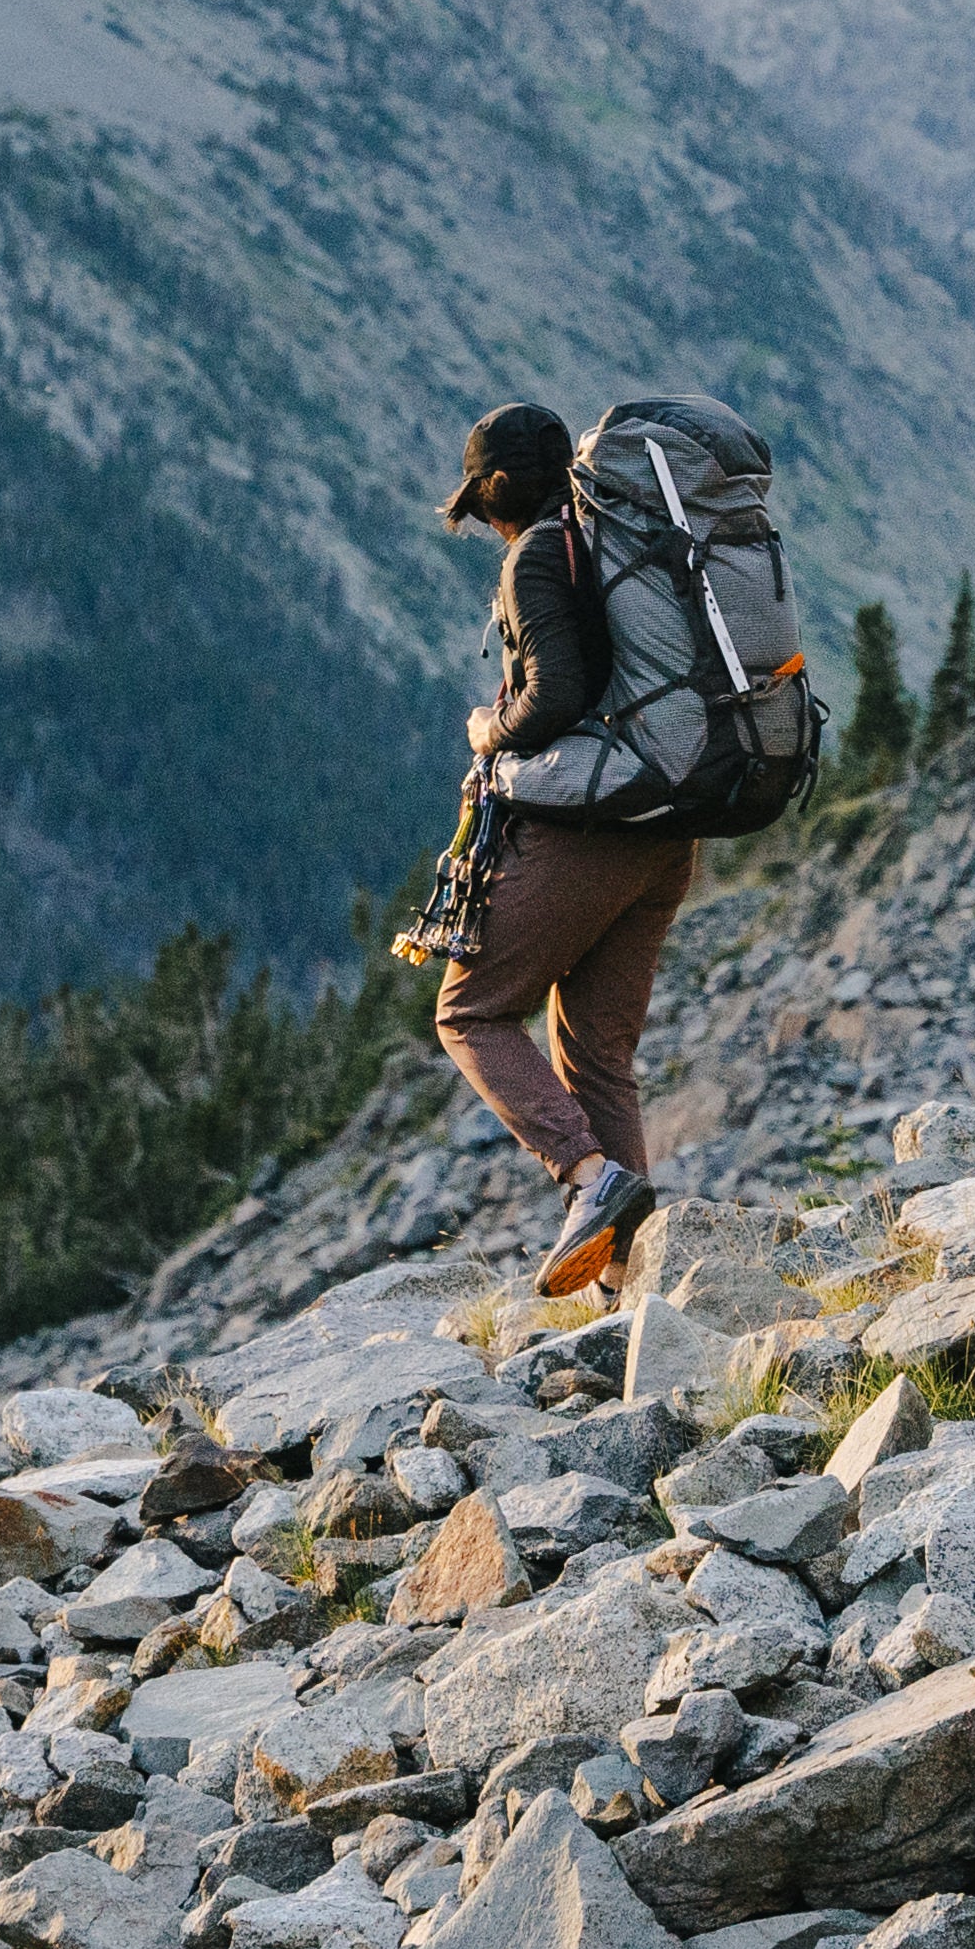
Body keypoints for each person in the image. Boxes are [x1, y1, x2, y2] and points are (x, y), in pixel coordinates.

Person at [429, 402, 687, 1295]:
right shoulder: (610, 541)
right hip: (665, 828)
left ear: (497, 490)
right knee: (595, 1053)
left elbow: (556, 692)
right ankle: (628, 1288)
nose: (483, 522)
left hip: (592, 831)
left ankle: (588, 1178)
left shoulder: (537, 552)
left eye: (480, 501)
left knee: (468, 1012)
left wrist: (485, 728)